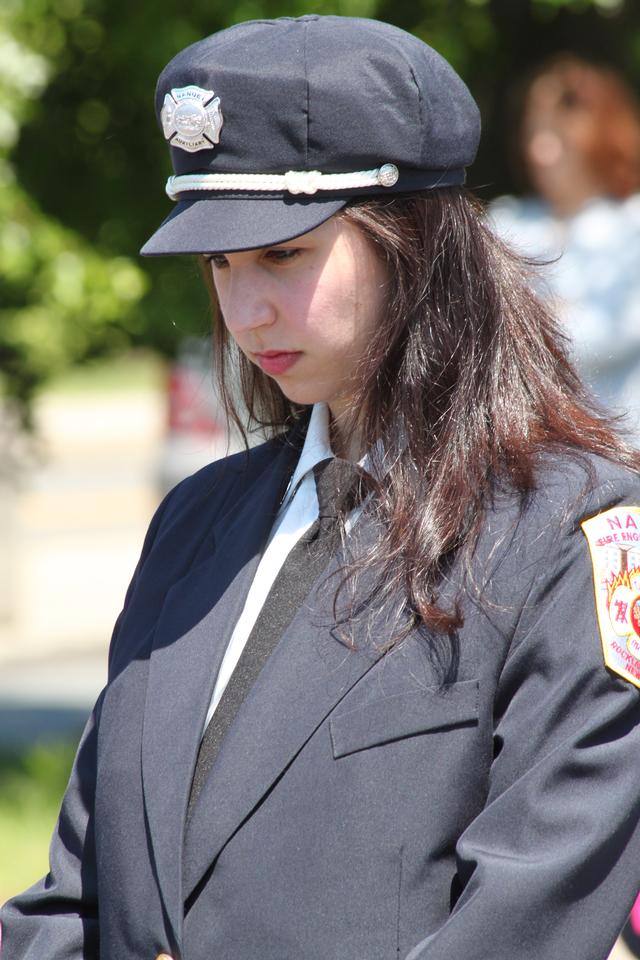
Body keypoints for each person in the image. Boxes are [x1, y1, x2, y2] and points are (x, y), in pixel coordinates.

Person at [2, 15, 640, 960]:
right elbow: (78, 898)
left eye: (284, 253)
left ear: (414, 244)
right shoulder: (194, 525)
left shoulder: (566, 531)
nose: (243, 309)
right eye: (221, 262)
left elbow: (523, 921)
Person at [489, 55, 640, 441]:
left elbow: (600, 339)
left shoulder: (632, 225)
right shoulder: (506, 221)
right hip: (530, 460)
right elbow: (479, 333)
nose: (539, 151)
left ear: (601, 129)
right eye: (532, 133)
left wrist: (529, 315)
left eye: (556, 133)